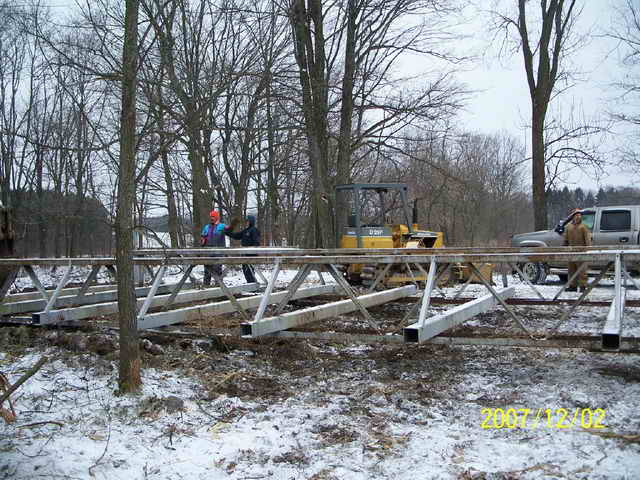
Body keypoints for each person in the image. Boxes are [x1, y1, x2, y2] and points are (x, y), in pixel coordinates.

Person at [225, 215, 261, 283]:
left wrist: (254, 251)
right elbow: (236, 236)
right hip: (245, 254)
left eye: (247, 221)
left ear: (251, 222)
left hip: (251, 255)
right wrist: (228, 233)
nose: (246, 222)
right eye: (246, 221)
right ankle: (251, 285)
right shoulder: (245, 231)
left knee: (249, 271)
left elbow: (257, 242)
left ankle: (252, 285)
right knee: (245, 270)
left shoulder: (254, 230)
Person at [563, 208, 592, 292]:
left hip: (581, 251)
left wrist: (588, 249)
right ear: (573, 216)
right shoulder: (568, 227)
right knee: (571, 270)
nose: (578, 217)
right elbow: (566, 239)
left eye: (579, 215)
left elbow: (588, 239)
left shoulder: (583, 227)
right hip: (571, 251)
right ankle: (573, 286)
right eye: (576, 215)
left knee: (582, 270)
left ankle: (583, 286)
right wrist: (564, 247)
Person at [200, 210, 227, 286]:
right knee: (207, 270)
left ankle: (219, 287)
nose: (212, 218)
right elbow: (203, 237)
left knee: (217, 270)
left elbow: (230, 232)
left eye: (213, 216)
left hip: (218, 252)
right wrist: (202, 240)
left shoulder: (222, 226)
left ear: (217, 217)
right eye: (211, 216)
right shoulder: (206, 227)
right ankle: (206, 287)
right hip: (208, 252)